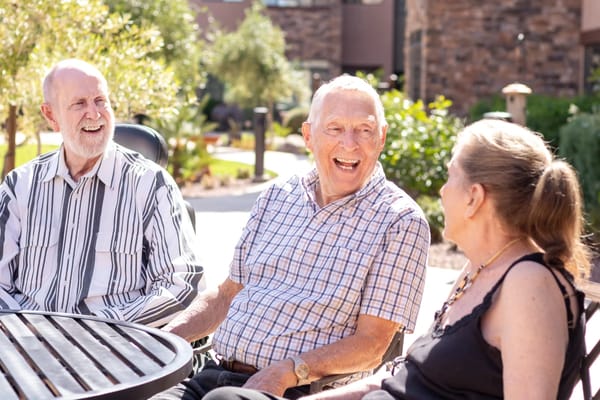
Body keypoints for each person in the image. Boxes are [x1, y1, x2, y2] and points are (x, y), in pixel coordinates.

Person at [202, 119, 591, 400]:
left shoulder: (529, 284)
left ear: (474, 197)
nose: (440, 191)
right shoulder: (482, 270)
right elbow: (403, 375)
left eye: (449, 176)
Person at [151, 75, 431, 400]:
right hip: (214, 375)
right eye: (335, 128)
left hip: (299, 390)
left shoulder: (400, 221)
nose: (350, 144)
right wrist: (163, 339)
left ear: (381, 137)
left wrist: (288, 371)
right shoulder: (277, 196)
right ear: (309, 135)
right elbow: (227, 295)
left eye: (364, 130)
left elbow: (372, 345)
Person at [0, 59, 204, 328]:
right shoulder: (19, 186)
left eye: (100, 101)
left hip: (115, 350)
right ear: (51, 116)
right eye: (79, 104)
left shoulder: (150, 185)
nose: (94, 114)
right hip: (28, 345)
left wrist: (100, 326)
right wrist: (27, 327)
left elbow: (182, 284)